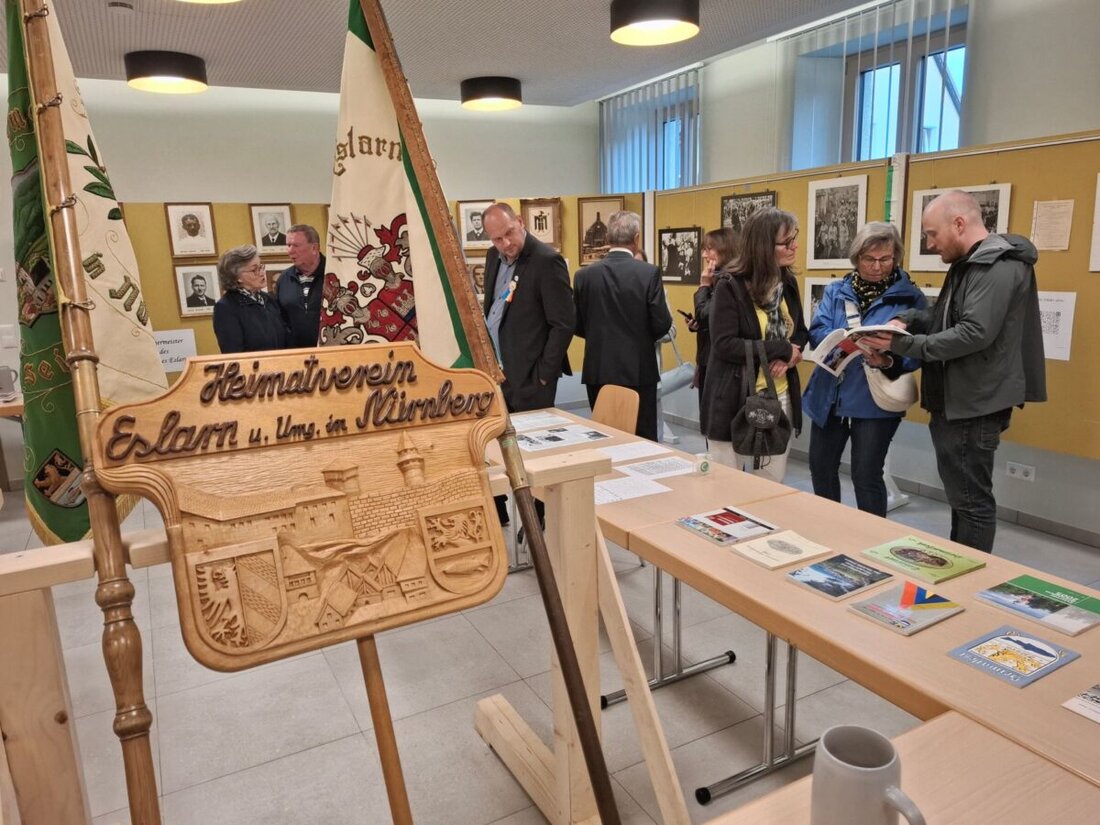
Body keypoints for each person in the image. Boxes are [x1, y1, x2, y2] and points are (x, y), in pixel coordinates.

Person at [863, 190, 1045, 553]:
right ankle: (960, 563)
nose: (930, 244)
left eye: (932, 234)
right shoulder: (971, 263)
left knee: (972, 503)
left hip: (973, 404)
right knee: (963, 499)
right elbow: (946, 315)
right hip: (961, 400)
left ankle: (970, 573)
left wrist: (901, 345)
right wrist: (909, 320)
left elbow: (973, 333)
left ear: (959, 224)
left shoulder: (995, 266)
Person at [802, 222, 926, 517]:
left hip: (874, 401)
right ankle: (829, 529)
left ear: (896, 257)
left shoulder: (911, 298)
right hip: (829, 395)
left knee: (867, 475)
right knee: (821, 468)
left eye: (885, 259)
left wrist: (887, 359)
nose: (877, 266)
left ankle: (873, 538)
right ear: (856, 258)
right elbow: (817, 331)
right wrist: (840, 340)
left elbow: (919, 348)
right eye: (869, 259)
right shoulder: (836, 290)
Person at [700, 208, 808, 482]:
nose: (795, 246)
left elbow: (800, 332)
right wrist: (780, 349)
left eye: (794, 239)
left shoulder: (787, 282)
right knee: (727, 485)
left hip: (778, 395)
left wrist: (790, 355)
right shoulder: (730, 285)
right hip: (732, 397)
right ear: (763, 245)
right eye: (786, 242)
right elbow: (725, 344)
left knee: (770, 485)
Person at [574, 211, 672, 441]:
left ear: (608, 238)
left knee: (604, 435)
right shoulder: (648, 273)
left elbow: (576, 324)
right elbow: (662, 324)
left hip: (598, 368)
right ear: (637, 238)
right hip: (639, 370)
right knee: (643, 439)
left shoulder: (584, 276)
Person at [481, 202, 574, 412]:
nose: (506, 243)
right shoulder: (492, 256)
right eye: (497, 239)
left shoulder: (547, 261)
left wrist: (543, 375)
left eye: (509, 233)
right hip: (499, 375)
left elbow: (564, 324)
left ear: (520, 222)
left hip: (531, 379)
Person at [691, 228, 738, 402]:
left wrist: (704, 285)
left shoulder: (728, 280)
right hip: (708, 358)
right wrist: (698, 324)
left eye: (709, 249)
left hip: (719, 363)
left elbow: (704, 314)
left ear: (725, 249)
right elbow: (709, 319)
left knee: (712, 415)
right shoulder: (718, 277)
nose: (704, 255)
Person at [213, 245, 288, 354]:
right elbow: (234, 353)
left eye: (261, 267)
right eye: (254, 270)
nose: (262, 273)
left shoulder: (268, 299)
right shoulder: (226, 307)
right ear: (237, 277)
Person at [275, 224, 326, 348]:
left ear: (314, 248)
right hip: (296, 354)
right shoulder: (284, 279)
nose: (290, 251)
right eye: (288, 245)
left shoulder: (334, 274)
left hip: (332, 351)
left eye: (296, 245)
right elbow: (280, 320)